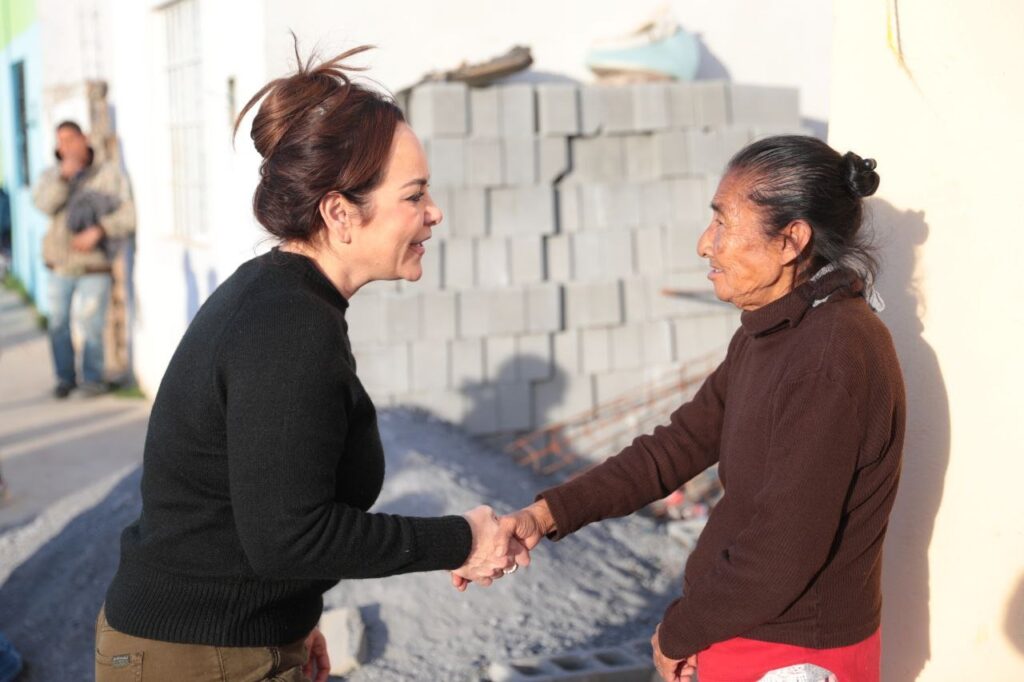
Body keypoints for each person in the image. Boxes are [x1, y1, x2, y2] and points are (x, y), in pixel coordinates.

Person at [97, 46, 526, 682]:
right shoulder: (287, 327)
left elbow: (266, 507)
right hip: (197, 657)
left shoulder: (289, 301)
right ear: (339, 213)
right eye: (414, 195)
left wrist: (294, 622)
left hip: (232, 641)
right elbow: (289, 537)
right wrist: (460, 539)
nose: (433, 212)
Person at [501, 136, 904, 682]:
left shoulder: (830, 356)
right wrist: (547, 514)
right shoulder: (777, 331)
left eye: (723, 223)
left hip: (794, 654)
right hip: (748, 631)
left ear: (791, 240)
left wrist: (681, 631)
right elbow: (674, 448)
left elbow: (782, 550)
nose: (704, 244)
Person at [32, 120, 136, 398]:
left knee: (91, 323)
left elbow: (128, 215)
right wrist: (63, 179)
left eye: (70, 139)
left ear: (84, 138)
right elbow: (43, 206)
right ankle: (64, 379)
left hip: (96, 262)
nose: (65, 147)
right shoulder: (51, 175)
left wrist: (99, 230)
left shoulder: (108, 174)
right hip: (60, 265)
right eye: (60, 141)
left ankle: (92, 380)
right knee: (58, 324)